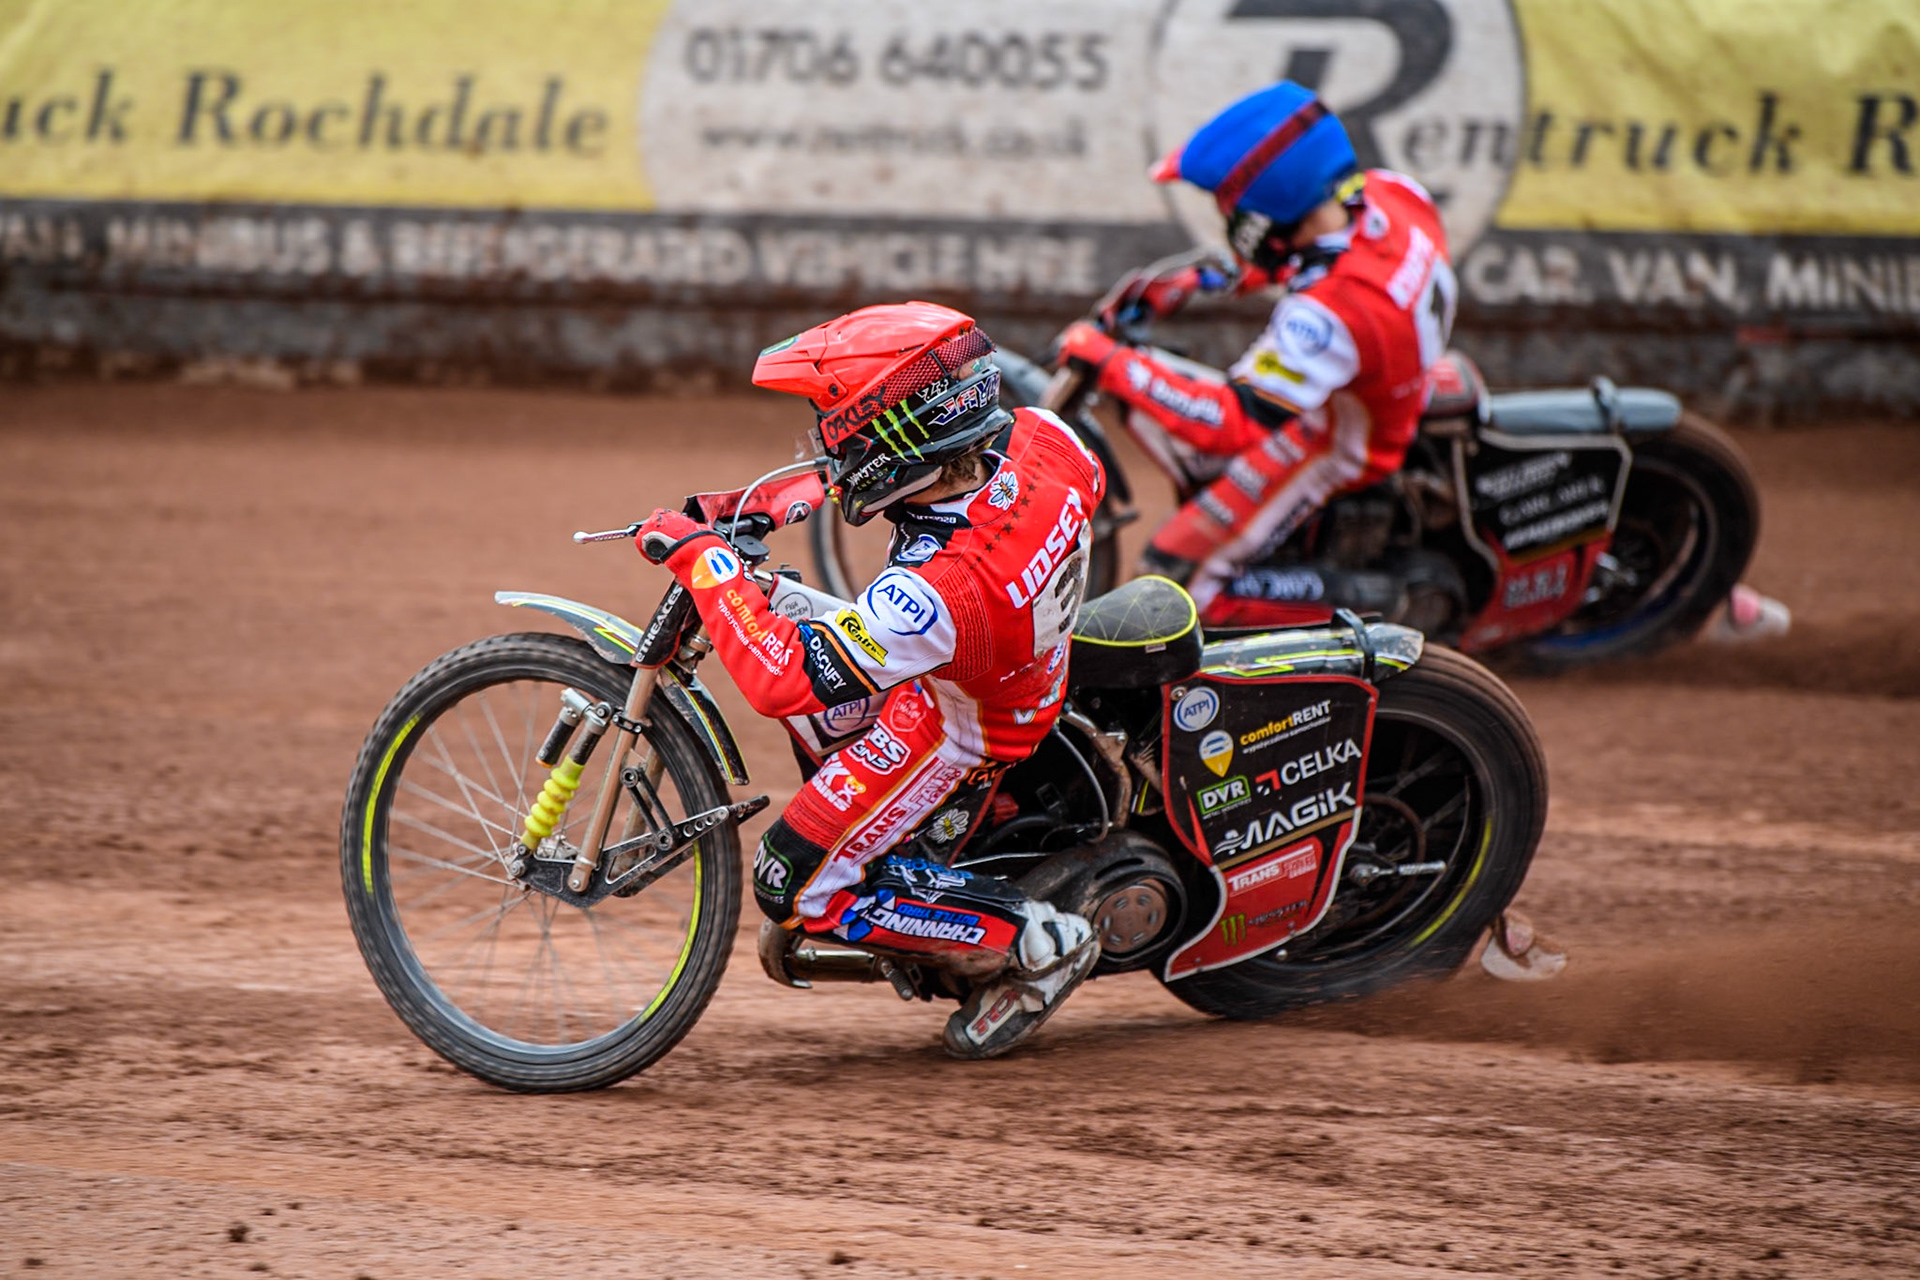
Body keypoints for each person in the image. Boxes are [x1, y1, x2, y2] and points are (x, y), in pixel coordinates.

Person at [634, 301, 1106, 1059]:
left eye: (842, 429)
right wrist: (761, 508)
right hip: (1009, 663)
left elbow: (781, 681)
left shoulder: (936, 594)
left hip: (959, 725)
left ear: (905, 437)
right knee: (782, 600)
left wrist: (705, 559)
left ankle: (1040, 940)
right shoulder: (1046, 442)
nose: (830, 445)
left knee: (791, 884)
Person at [1055, 80, 1458, 614]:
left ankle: (1377, 609)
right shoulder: (1393, 194)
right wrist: (1221, 277)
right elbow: (1336, 256)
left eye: (1228, 205)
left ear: (1265, 207)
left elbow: (1231, 425)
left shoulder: (1328, 314)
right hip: (1379, 382)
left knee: (1168, 583)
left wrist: (1109, 361)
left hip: (1337, 443)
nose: (1228, 219)